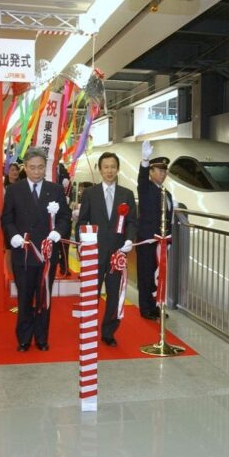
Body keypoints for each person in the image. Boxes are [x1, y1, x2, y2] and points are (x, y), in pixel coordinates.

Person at [2, 147, 71, 352]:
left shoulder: (56, 190)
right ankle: (23, 338)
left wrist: (59, 232)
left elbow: (65, 218)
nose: (36, 172)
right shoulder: (15, 190)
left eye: (40, 167)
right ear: (25, 167)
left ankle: (41, 337)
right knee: (24, 297)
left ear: (45, 167)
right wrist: (13, 235)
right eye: (32, 167)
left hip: (47, 254)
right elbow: (7, 219)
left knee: (44, 298)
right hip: (23, 254)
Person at [76, 152, 137, 347]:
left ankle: (109, 331)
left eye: (113, 167)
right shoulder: (90, 194)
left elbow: (132, 222)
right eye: (106, 167)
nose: (109, 170)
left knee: (113, 293)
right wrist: (82, 244)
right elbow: (82, 221)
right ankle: (89, 327)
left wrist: (129, 240)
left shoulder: (126, 194)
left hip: (117, 253)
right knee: (91, 292)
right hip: (95, 251)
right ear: (100, 169)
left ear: (117, 169)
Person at [136, 141, 173, 320]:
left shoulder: (167, 194)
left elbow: (169, 218)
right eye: (159, 170)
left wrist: (170, 240)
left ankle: (156, 305)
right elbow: (141, 179)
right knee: (146, 275)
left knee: (159, 275)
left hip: (162, 242)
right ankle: (146, 308)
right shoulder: (145, 188)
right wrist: (145, 160)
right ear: (150, 172)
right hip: (147, 240)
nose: (163, 174)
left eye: (165, 171)